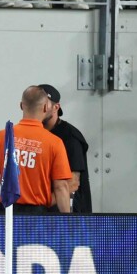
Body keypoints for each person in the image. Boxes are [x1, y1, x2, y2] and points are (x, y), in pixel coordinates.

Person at [0, 85, 73, 215]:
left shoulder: (2, 136)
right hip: (37, 216)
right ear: (46, 107)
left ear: (21, 105)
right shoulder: (54, 143)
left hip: (6, 213)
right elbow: (61, 187)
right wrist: (68, 224)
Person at [41, 84, 91, 214]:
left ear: (56, 107)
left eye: (44, 104)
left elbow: (73, 183)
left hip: (64, 214)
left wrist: (39, 206)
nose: (40, 108)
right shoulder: (34, 133)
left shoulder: (70, 136)